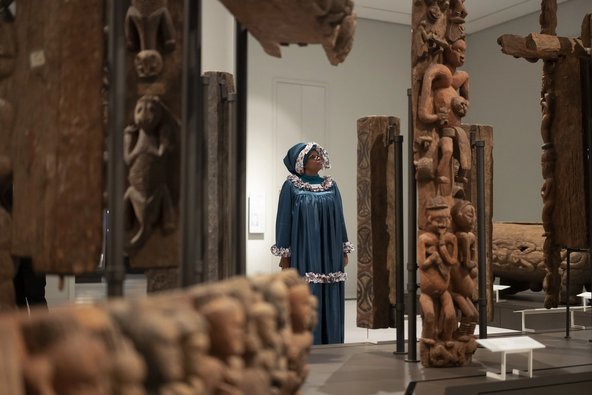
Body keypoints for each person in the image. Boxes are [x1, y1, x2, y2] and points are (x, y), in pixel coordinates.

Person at [271, 142, 353, 345]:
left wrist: (343, 247)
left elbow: (340, 218)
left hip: (330, 247)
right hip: (305, 247)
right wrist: (285, 254)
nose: (319, 159)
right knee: (308, 289)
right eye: (313, 157)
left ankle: (332, 339)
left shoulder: (331, 185)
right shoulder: (291, 186)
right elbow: (284, 220)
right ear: (301, 162)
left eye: (319, 156)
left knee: (330, 288)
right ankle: (308, 340)